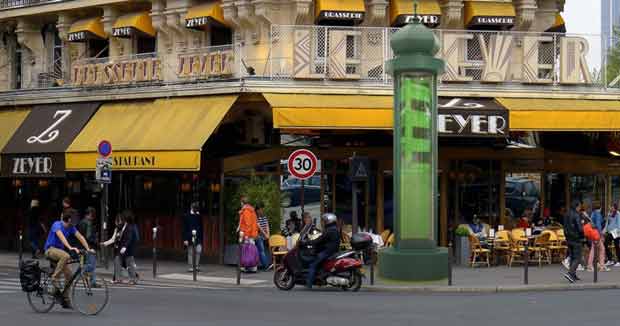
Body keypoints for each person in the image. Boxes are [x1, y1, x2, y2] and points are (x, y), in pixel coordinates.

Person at [43, 209, 95, 309]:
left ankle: (64, 299)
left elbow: (80, 237)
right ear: (70, 219)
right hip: (50, 250)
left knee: (70, 276)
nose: (76, 220)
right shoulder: (57, 224)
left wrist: (88, 249)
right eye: (75, 218)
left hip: (60, 253)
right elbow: (61, 236)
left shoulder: (71, 227)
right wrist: (70, 247)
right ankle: (54, 278)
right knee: (66, 256)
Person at [302, 213, 341, 289]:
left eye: (325, 221)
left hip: (327, 251)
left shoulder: (330, 230)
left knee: (313, 264)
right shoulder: (333, 229)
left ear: (329, 221)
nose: (324, 222)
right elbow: (322, 239)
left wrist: (308, 242)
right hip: (331, 250)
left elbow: (319, 240)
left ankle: (309, 283)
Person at [101, 213, 137, 285]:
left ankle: (133, 279)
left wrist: (125, 247)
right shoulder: (117, 229)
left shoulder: (129, 227)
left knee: (129, 264)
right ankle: (118, 279)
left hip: (128, 249)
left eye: (119, 221)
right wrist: (105, 243)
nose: (117, 223)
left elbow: (129, 239)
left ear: (123, 220)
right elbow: (113, 239)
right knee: (117, 262)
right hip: (119, 249)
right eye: (117, 221)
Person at [563, 200, 585, 283]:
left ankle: (573, 275)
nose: (580, 208)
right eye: (579, 206)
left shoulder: (567, 214)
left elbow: (564, 226)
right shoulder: (576, 215)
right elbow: (579, 228)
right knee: (577, 257)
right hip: (576, 238)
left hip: (568, 238)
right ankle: (570, 273)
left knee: (572, 256)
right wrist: (582, 236)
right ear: (577, 206)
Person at [78, 207, 99, 286]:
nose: (93, 217)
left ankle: (92, 282)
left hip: (82, 246)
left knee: (89, 263)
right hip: (89, 247)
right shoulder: (88, 223)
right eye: (92, 215)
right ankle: (82, 273)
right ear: (90, 214)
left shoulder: (81, 222)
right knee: (91, 264)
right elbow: (88, 236)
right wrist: (96, 242)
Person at [238, 195, 259, 272]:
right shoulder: (251, 210)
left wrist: (246, 235)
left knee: (247, 250)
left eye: (241, 202)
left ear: (242, 203)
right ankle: (252, 267)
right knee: (251, 250)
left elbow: (248, 224)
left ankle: (247, 266)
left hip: (248, 234)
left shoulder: (246, 211)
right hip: (252, 233)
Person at [587, 201, 608, 272]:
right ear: (600, 207)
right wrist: (601, 235)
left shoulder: (593, 213)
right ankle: (601, 265)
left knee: (595, 249)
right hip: (597, 234)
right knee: (602, 249)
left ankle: (594, 265)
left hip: (593, 234)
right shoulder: (598, 214)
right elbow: (599, 225)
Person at [183, 202, 204, 272]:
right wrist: (185, 239)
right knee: (190, 252)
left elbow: (201, 227)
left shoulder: (198, 216)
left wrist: (201, 238)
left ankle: (196, 265)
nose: (196, 210)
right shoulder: (186, 215)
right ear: (191, 208)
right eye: (195, 208)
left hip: (198, 236)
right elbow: (184, 228)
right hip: (189, 236)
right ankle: (191, 267)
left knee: (199, 250)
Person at [255, 203, 271, 270]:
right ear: (257, 210)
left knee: (268, 249)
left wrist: (268, 235)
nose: (262, 211)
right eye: (261, 209)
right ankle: (266, 266)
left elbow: (267, 226)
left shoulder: (264, 216)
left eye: (262, 209)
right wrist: (265, 235)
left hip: (265, 235)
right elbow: (259, 228)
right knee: (262, 250)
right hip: (258, 236)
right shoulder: (255, 217)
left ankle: (268, 263)